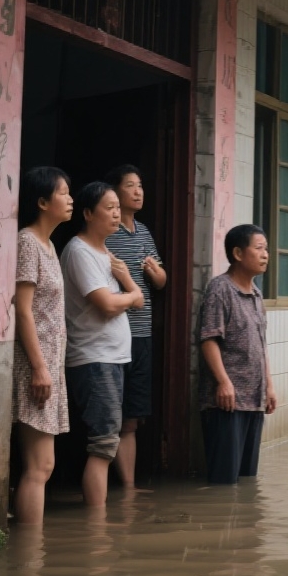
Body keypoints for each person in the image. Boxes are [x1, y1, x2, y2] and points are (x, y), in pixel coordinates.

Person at [60, 182, 144, 507]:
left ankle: (98, 526)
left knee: (105, 442)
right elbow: (107, 305)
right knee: (103, 445)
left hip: (111, 359)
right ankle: (97, 531)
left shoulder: (105, 252)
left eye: (117, 208)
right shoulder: (80, 251)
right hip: (95, 359)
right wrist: (131, 295)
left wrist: (128, 288)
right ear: (87, 213)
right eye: (109, 207)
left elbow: (133, 300)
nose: (116, 213)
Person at [12, 167, 74, 524]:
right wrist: (38, 367)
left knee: (43, 466)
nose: (69, 199)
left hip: (49, 366)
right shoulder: (27, 242)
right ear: (41, 201)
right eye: (63, 193)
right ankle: (28, 558)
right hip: (35, 366)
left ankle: (29, 555)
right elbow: (22, 310)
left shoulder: (49, 245)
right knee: (40, 466)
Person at [198, 224, 277, 485]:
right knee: (224, 482)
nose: (266, 254)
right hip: (227, 402)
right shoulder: (220, 289)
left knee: (246, 480)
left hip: (253, 400)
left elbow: (261, 344)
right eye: (259, 248)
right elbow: (209, 338)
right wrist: (223, 382)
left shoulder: (255, 293)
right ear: (238, 253)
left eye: (266, 249)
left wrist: (269, 387)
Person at [104, 165, 167, 487]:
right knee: (109, 416)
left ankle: (128, 490)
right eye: (131, 185)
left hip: (141, 335)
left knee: (131, 419)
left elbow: (161, 281)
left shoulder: (143, 232)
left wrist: (155, 272)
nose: (139, 191)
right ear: (115, 192)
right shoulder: (105, 234)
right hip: (113, 335)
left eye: (140, 185)